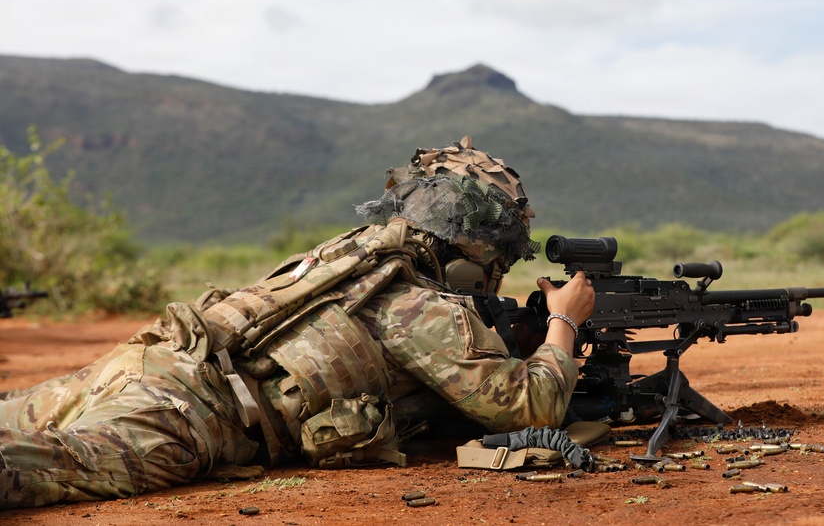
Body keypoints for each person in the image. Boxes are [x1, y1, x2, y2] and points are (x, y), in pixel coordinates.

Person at [0, 136, 595, 508]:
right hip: (190, 415)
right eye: (495, 259)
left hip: (155, 359)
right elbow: (529, 408)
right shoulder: (415, 301)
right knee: (36, 471)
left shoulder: (356, 257)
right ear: (472, 252)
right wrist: (563, 324)